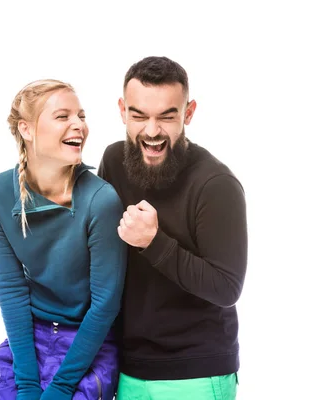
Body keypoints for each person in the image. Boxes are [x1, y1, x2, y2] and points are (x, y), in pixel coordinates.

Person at [97, 56, 248, 400]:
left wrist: (153, 241)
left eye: (167, 116)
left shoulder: (216, 184)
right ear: (122, 111)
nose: (152, 131)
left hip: (194, 373)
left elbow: (227, 288)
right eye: (139, 116)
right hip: (127, 369)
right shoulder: (113, 161)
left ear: (188, 113)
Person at [0, 79, 127, 400]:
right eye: (63, 117)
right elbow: (11, 289)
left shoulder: (101, 200)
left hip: (88, 344)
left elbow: (105, 304)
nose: (79, 125)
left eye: (82, 116)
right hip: (29, 340)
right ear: (27, 129)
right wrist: (28, 381)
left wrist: (61, 387)